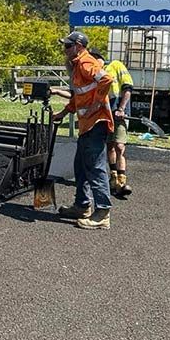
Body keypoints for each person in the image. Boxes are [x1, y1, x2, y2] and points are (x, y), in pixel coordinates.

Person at [51, 31, 115, 230]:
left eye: (68, 46)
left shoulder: (86, 63)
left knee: (95, 168)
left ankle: (102, 212)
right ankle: (82, 206)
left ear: (79, 46)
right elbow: (79, 97)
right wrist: (63, 113)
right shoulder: (78, 67)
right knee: (81, 166)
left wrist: (97, 104)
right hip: (87, 125)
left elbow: (107, 79)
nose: (65, 50)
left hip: (96, 124)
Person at [90, 48, 134, 198]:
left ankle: (122, 180)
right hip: (106, 115)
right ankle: (113, 178)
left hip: (120, 114)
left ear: (98, 58)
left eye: (93, 59)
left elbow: (127, 89)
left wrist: (121, 108)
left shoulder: (116, 65)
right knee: (110, 146)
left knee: (119, 145)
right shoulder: (95, 73)